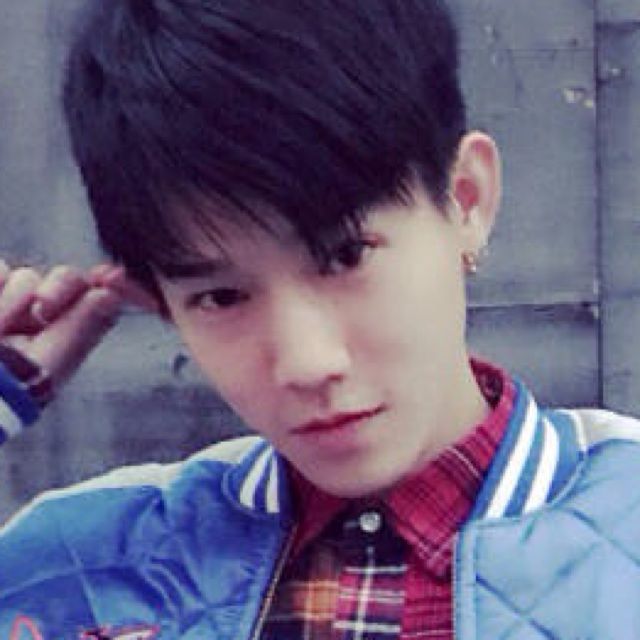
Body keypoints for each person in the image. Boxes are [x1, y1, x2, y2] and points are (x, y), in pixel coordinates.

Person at [0, 1, 639, 638]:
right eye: (221, 297)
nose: (307, 363)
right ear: (159, 299)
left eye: (346, 256)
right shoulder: (71, 574)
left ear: (465, 199)